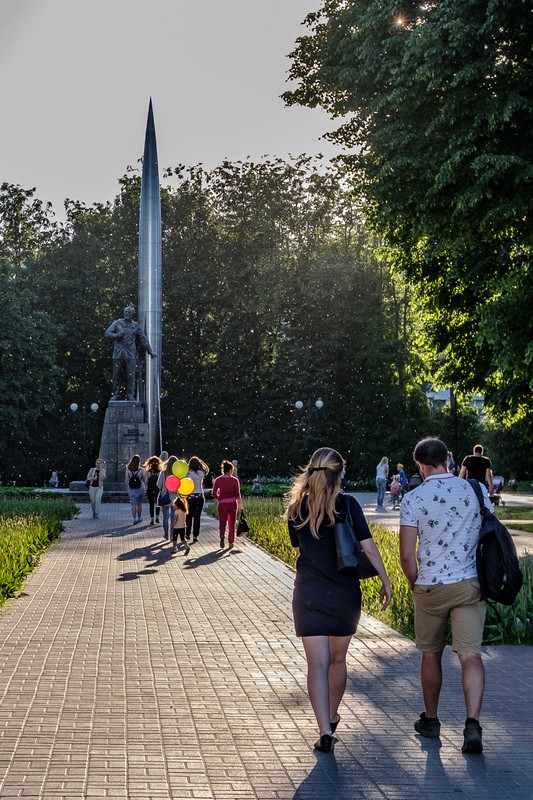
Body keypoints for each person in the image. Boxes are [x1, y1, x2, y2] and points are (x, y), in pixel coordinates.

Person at [286, 447, 391, 753]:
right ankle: (331, 717)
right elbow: (368, 549)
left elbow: (300, 549)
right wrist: (385, 580)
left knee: (316, 664)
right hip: (344, 594)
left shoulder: (296, 508)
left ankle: (323, 731)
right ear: (340, 472)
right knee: (337, 660)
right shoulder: (348, 504)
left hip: (309, 593)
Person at [399, 437, 492, 754]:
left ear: (419, 465)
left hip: (430, 586)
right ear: (449, 460)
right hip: (469, 585)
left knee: (431, 654)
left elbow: (407, 557)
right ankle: (472, 725)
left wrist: (416, 584)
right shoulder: (475, 490)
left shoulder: (414, 499)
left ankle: (432, 720)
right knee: (470, 656)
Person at [105, 304, 156, 401]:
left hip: (131, 353)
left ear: (132, 314)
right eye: (126, 312)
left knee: (131, 375)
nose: (127, 314)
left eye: (129, 312)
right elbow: (107, 333)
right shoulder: (117, 323)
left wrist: (150, 351)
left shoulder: (136, 325)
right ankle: (115, 394)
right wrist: (117, 335)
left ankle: (130, 395)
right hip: (118, 352)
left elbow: (143, 339)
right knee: (116, 375)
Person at [212, 460, 242, 550]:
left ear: (223, 470)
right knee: (231, 523)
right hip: (232, 504)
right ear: (230, 470)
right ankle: (231, 542)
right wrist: (240, 505)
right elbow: (238, 494)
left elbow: (213, 493)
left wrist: (219, 498)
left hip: (222, 504)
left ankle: (222, 536)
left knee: (222, 522)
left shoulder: (218, 480)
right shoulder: (234, 480)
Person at [185, 455, 210, 543]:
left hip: (190, 497)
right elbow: (207, 469)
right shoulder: (201, 473)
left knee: (188, 516)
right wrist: (201, 462)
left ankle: (187, 533)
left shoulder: (188, 473)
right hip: (200, 496)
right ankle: (195, 535)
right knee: (197, 517)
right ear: (198, 464)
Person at [157, 455, 180, 540]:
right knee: (173, 518)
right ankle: (172, 535)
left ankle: (166, 534)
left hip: (165, 497)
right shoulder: (178, 474)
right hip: (175, 498)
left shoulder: (163, 473)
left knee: (165, 517)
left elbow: (158, 485)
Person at [125, 454, 146, 524]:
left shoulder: (128, 470)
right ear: (139, 461)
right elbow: (145, 480)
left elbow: (126, 480)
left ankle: (134, 519)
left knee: (133, 504)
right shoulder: (142, 470)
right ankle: (139, 518)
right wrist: (146, 486)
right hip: (140, 488)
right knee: (139, 504)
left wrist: (127, 488)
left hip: (131, 489)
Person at [143, 455, 162, 525]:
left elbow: (146, 481)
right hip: (157, 489)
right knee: (158, 504)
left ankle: (152, 519)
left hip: (150, 489)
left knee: (151, 504)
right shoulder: (159, 472)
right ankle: (157, 517)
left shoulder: (148, 472)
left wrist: (146, 488)